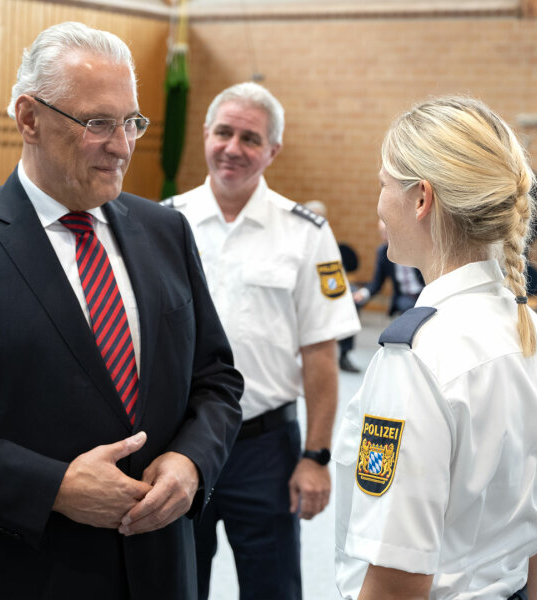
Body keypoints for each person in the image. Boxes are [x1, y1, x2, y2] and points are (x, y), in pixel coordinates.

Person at [0, 22, 243, 600]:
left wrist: (192, 464)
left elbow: (216, 381)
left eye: (131, 122)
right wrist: (51, 487)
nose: (122, 146)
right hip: (26, 572)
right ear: (28, 118)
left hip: (163, 568)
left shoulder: (165, 230)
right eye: (97, 123)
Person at [334, 96, 537, 600]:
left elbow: (398, 577)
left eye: (382, 184)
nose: (379, 204)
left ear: (421, 199)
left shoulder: (419, 358)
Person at [163, 82, 361, 600]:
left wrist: (315, 455)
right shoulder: (163, 223)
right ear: (205, 135)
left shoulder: (307, 233)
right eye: (223, 132)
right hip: (178, 443)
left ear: (273, 150)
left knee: (272, 588)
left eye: (250, 138)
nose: (232, 147)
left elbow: (320, 351)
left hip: (265, 449)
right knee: (176, 583)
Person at [304, 200, 362, 373]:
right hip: (302, 290)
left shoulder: (327, 241)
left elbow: (336, 273)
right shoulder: (295, 241)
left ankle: (344, 354)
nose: (316, 221)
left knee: (350, 298)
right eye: (313, 216)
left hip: (324, 287)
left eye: (320, 218)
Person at [353, 218, 424, 316]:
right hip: (405, 296)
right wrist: (363, 293)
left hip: (423, 290)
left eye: (386, 232)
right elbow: (377, 282)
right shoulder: (383, 253)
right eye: (381, 233)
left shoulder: (414, 245)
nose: (384, 237)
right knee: (408, 307)